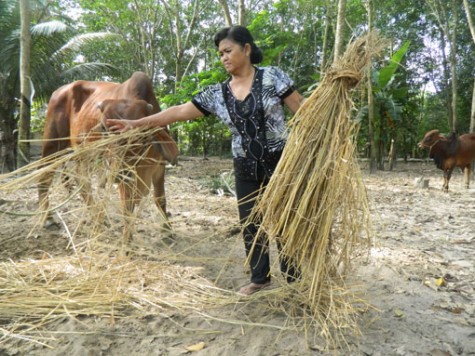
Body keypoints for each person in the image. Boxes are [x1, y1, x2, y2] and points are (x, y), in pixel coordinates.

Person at [107, 25, 304, 295]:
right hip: (245, 165)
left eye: (228, 51)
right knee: (250, 222)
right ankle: (260, 278)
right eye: (220, 53)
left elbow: (302, 110)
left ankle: (294, 278)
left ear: (246, 49)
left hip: (282, 163)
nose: (223, 57)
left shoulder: (273, 77)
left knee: (285, 220)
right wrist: (136, 124)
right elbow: (177, 112)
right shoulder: (217, 93)